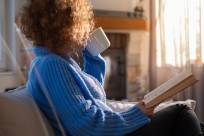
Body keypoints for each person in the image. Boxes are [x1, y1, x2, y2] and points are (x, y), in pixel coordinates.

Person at [17, 0, 203, 136]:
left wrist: (93, 59)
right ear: (65, 28)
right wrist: (136, 113)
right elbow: (86, 125)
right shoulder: (52, 65)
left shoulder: (55, 61)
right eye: (79, 25)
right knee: (181, 114)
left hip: (111, 130)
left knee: (192, 124)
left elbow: (96, 100)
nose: (84, 31)